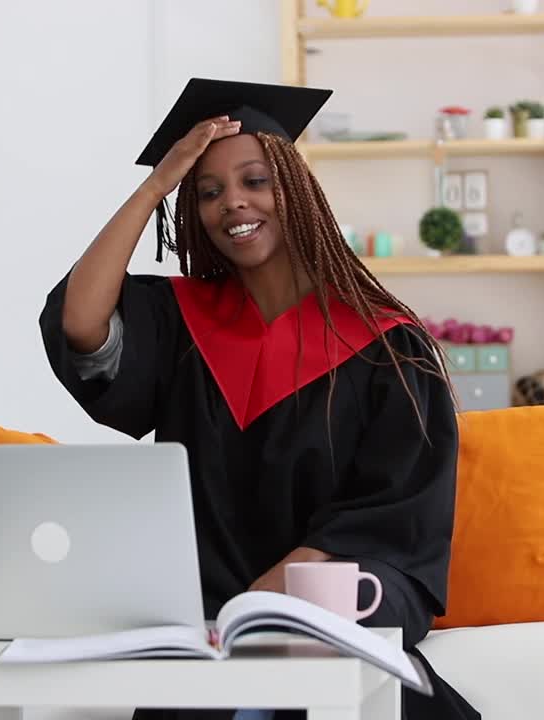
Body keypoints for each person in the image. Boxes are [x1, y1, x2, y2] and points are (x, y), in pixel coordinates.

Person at [38, 78, 479, 720]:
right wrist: (155, 186)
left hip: (344, 584)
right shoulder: (183, 321)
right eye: (209, 192)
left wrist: (277, 594)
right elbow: (81, 322)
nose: (232, 204)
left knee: (327, 619)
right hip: (216, 595)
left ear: (294, 190)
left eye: (254, 181)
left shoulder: (387, 345)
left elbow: (397, 510)